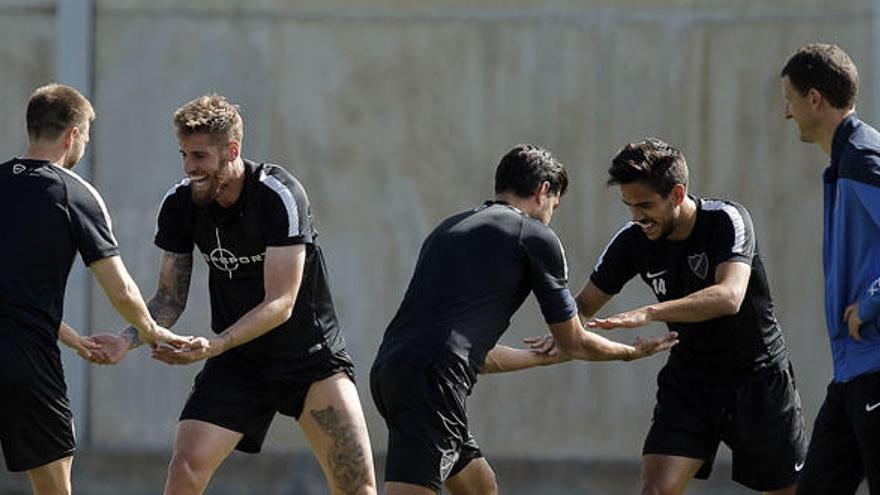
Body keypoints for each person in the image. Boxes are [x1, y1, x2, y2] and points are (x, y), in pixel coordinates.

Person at [90, 94, 376, 495]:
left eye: (201, 157)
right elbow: (169, 300)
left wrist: (214, 344)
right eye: (184, 155)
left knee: (356, 485)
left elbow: (281, 303)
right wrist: (126, 341)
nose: (190, 168)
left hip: (308, 359)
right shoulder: (179, 204)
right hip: (238, 361)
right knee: (184, 472)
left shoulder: (278, 195)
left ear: (233, 150)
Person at [370, 144, 679, 495]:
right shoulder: (533, 235)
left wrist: (539, 358)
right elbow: (572, 340)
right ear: (543, 191)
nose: (551, 216)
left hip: (391, 369)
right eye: (555, 206)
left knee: (480, 487)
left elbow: (471, 352)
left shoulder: (449, 229)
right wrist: (629, 353)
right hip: (433, 380)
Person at [533, 138, 806, 494]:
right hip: (689, 381)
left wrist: (649, 313)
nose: (636, 217)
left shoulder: (727, 220)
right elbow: (582, 306)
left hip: (758, 380)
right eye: (628, 206)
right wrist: (563, 335)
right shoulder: (633, 239)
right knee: (655, 491)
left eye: (645, 205)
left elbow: (729, 295)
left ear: (677, 194)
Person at [0, 84, 188, 495]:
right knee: (53, 483)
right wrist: (153, 332)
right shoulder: (72, 192)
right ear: (72, 136)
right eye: (85, 136)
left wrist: (70, 336)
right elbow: (120, 289)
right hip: (26, 361)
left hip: (26, 340)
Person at [781, 42, 880, 494]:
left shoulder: (862, 159)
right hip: (851, 374)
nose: (788, 112)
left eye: (790, 99)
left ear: (814, 98)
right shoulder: (847, 160)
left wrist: (873, 302)